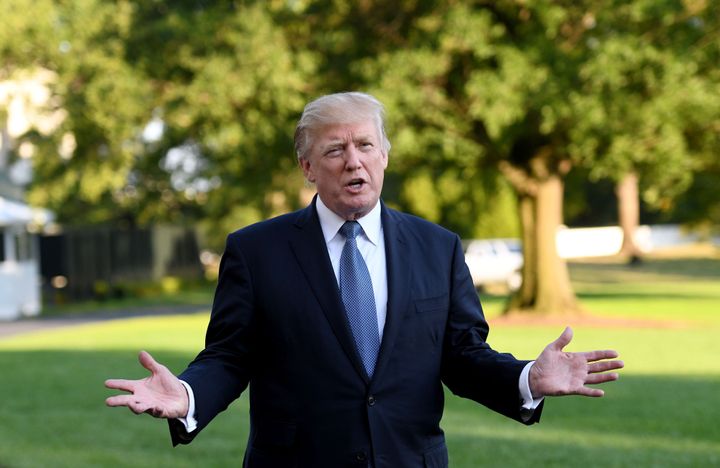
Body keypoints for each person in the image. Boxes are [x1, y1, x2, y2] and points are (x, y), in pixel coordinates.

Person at [105, 92, 623, 468]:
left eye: (365, 145)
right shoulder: (255, 250)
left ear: (385, 156)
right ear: (308, 166)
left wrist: (527, 378)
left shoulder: (437, 246)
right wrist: (189, 396)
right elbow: (230, 355)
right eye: (335, 150)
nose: (353, 160)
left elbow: (463, 355)